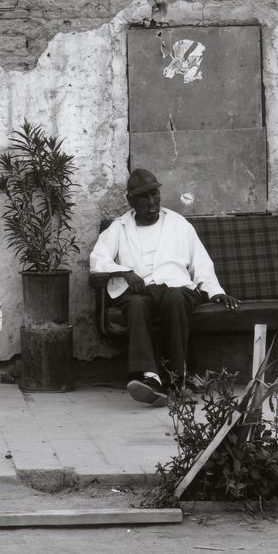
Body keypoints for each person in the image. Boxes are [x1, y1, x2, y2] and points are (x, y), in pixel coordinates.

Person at [89, 168, 238, 406]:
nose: (151, 202)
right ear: (130, 201)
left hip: (177, 288)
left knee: (174, 298)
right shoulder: (119, 228)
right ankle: (150, 378)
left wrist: (216, 291)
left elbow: (201, 262)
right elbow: (98, 262)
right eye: (143, 197)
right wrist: (125, 272)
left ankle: (179, 380)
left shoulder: (179, 224)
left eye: (155, 195)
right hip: (141, 292)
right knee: (136, 305)